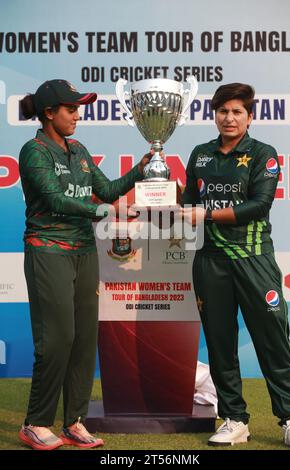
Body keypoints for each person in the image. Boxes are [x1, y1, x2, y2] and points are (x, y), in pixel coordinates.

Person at [18, 79, 151, 450]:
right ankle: (35, 422)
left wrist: (140, 170)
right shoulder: (33, 152)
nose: (78, 115)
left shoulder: (79, 150)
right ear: (49, 113)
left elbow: (106, 190)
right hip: (48, 250)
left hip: (83, 251)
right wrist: (106, 211)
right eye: (71, 108)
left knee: (82, 341)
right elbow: (57, 200)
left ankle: (73, 422)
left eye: (79, 108)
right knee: (56, 340)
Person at [182, 83, 290, 448]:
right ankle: (234, 418)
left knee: (273, 342)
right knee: (219, 345)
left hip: (254, 261)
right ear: (214, 114)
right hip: (210, 263)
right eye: (223, 111)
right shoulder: (200, 154)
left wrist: (208, 214)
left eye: (237, 112)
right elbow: (188, 201)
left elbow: (258, 206)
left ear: (250, 117)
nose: (229, 118)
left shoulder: (264, 153)